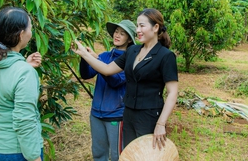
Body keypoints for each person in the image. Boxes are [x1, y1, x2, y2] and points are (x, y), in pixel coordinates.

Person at [72, 8, 178, 150]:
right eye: (137, 26)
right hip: (128, 115)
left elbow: (172, 92)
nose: (138, 30)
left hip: (149, 116)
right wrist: (84, 54)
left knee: (146, 155)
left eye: (142, 25)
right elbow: (107, 69)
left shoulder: (165, 56)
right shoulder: (133, 51)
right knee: (129, 154)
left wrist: (161, 124)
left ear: (156, 27)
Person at [0, 6, 43, 161]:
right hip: (13, 151)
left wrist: (23, 64)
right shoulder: (24, 73)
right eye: (30, 28)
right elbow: (24, 121)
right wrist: (35, 157)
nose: (31, 33)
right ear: (21, 35)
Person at [79, 20, 136, 161]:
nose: (117, 35)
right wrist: (84, 58)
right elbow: (86, 75)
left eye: (122, 33)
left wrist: (94, 59)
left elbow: (115, 80)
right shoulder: (104, 56)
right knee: (98, 154)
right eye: (116, 32)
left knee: (118, 155)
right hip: (96, 114)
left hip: (116, 115)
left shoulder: (130, 60)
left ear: (129, 39)